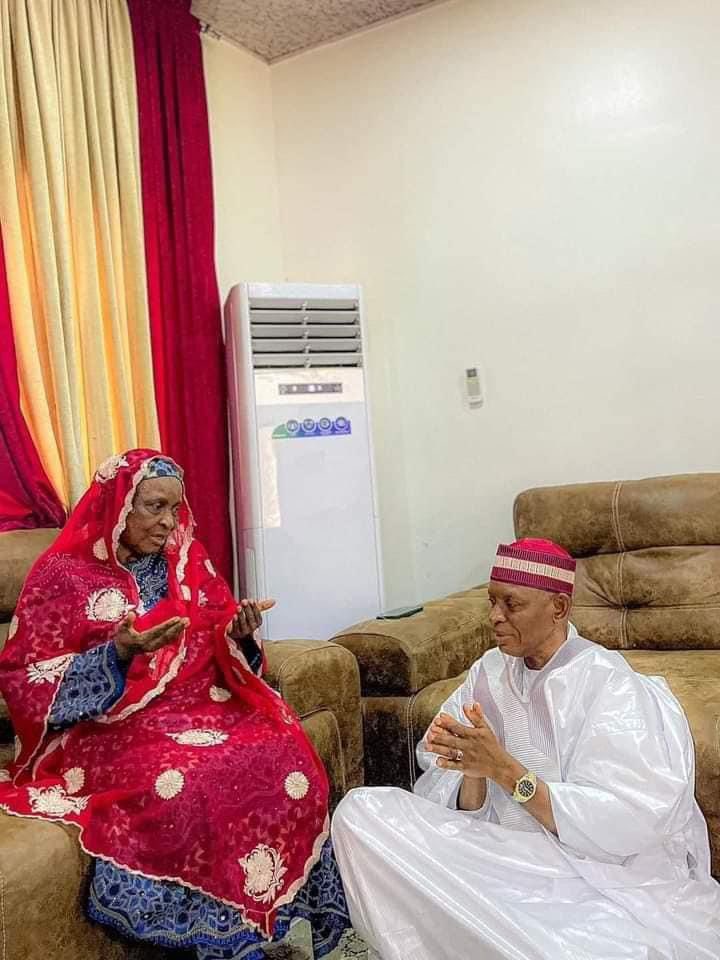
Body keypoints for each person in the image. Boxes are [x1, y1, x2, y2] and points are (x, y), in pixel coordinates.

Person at [0, 449, 350, 960]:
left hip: (196, 709)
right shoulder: (63, 576)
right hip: (102, 729)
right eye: (153, 507)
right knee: (189, 779)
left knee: (282, 749)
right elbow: (24, 683)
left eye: (174, 509)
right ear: (119, 505)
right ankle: (211, 938)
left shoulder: (187, 561)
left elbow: (216, 638)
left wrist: (239, 634)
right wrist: (117, 654)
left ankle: (251, 926)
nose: (168, 523)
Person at [332, 538, 720, 960]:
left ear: (558, 608)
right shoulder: (489, 672)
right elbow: (452, 797)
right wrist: (474, 775)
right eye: (492, 602)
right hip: (498, 856)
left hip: (584, 875)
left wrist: (507, 774)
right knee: (359, 812)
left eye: (512, 605)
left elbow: (627, 823)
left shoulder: (609, 685)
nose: (495, 617)